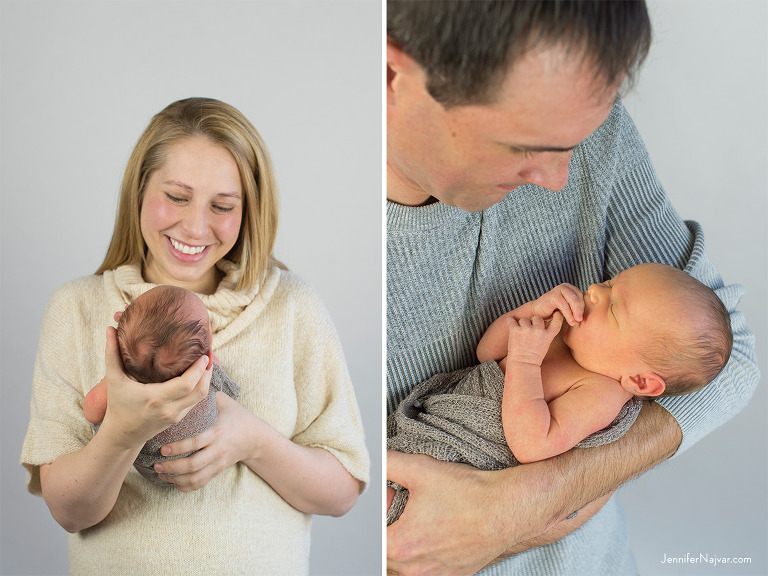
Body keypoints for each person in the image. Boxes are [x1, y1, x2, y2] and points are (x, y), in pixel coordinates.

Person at [385, 1, 758, 575]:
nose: (559, 180)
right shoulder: (281, 242)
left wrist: (526, 506)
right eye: (526, 145)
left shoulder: (587, 133)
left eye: (572, 143)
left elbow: (731, 361)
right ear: (392, 78)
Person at [22, 97, 370, 575]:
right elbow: (69, 511)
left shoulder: (293, 306)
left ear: (248, 210)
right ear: (139, 190)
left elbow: (343, 491)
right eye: (177, 197)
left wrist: (252, 441)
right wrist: (124, 431)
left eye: (222, 206)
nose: (195, 226)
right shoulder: (76, 309)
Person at [387, 263, 733, 521]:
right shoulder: (562, 338)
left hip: (461, 460)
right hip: (433, 422)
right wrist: (532, 313)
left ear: (640, 381)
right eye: (611, 282)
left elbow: (531, 444)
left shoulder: (600, 393)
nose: (596, 289)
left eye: (612, 307)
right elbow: (486, 355)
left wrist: (525, 360)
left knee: (394, 510)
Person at [83, 284, 241, 484]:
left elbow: (90, 410)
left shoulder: (119, 388)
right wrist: (206, 358)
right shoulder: (202, 374)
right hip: (202, 452)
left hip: (146, 464)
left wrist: (113, 377)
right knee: (214, 381)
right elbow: (211, 364)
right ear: (207, 355)